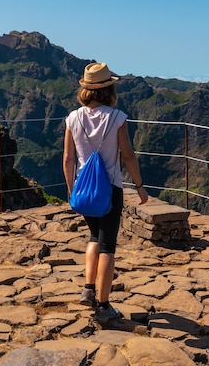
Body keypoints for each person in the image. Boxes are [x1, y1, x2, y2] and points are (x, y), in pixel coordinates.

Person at [63, 62, 149, 324]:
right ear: (108, 89)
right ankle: (103, 305)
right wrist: (140, 186)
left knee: (92, 237)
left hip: (84, 189)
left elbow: (68, 158)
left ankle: (88, 289)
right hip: (110, 189)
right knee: (107, 246)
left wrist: (71, 190)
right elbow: (129, 155)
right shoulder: (117, 118)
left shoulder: (72, 118)